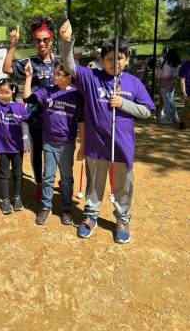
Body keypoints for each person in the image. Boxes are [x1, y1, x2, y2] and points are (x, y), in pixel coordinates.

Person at [60, 20, 155, 244]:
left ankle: (122, 219)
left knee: (123, 186)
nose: (115, 62)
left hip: (122, 148)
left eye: (119, 58)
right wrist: (66, 43)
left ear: (127, 60)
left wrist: (123, 103)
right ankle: (91, 216)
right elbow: (69, 65)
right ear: (102, 60)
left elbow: (147, 111)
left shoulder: (134, 83)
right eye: (110, 59)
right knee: (94, 185)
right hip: (96, 146)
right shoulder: (92, 78)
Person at [2, 16, 60, 201]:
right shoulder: (30, 62)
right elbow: (7, 69)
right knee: (38, 151)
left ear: (52, 40)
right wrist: (13, 45)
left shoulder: (60, 62)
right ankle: (40, 183)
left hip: (58, 116)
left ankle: (54, 178)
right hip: (35, 116)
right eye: (38, 40)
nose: (42, 43)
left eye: (46, 39)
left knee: (56, 150)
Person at [23, 60, 84, 226]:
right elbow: (27, 98)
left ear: (69, 77)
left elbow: (82, 121)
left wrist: (83, 146)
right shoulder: (47, 91)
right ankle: (46, 207)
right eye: (54, 73)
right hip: (48, 141)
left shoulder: (77, 95)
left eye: (58, 74)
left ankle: (66, 209)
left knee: (66, 178)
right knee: (48, 176)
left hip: (66, 143)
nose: (53, 76)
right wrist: (28, 76)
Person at [0, 69, 31, 214]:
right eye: (1, 92)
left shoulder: (20, 107)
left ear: (13, 92)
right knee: (4, 174)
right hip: (3, 147)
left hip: (18, 147)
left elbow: (25, 126)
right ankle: (5, 199)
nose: (3, 95)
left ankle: (17, 197)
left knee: (17, 174)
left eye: (7, 92)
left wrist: (27, 143)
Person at [156, 48, 181, 124]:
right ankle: (175, 118)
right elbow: (177, 75)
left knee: (166, 101)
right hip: (173, 83)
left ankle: (167, 118)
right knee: (170, 101)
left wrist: (159, 71)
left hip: (165, 83)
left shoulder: (167, 63)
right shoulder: (177, 63)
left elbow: (165, 75)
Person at [179, 54, 190, 130]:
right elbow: (182, 80)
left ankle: (182, 122)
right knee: (187, 106)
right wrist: (183, 92)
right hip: (188, 90)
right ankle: (182, 122)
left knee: (187, 107)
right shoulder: (185, 66)